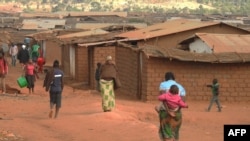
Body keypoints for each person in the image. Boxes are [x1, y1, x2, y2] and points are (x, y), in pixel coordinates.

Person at [157, 72, 186, 141]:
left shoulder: (163, 84)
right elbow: (183, 101)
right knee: (175, 133)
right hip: (177, 113)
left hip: (165, 112)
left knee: (166, 133)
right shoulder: (181, 87)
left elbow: (163, 99)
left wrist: (168, 111)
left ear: (165, 78)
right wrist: (176, 110)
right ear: (174, 78)